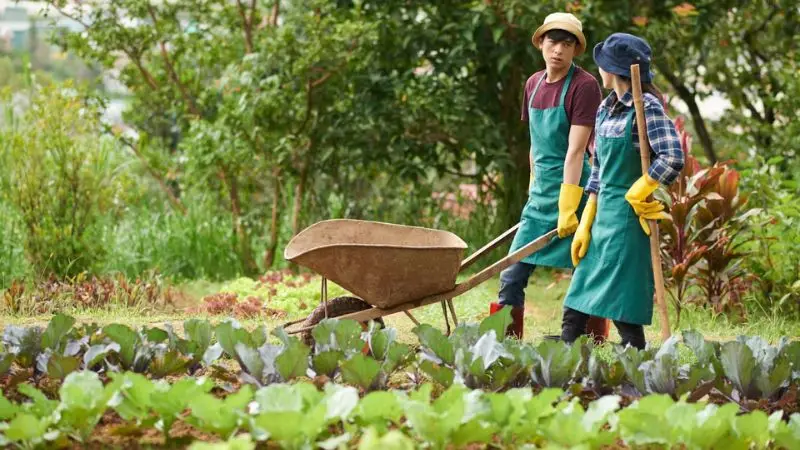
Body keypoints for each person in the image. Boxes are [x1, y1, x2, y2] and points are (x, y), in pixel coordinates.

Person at [559, 33, 685, 349]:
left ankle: (637, 367)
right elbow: (599, 171)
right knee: (578, 295)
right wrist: (586, 221)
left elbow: (672, 156)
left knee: (623, 301)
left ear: (613, 70)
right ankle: (561, 364)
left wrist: (641, 188)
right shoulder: (605, 108)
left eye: (602, 64)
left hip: (630, 218)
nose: (598, 68)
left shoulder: (646, 107)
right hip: (603, 214)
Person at [488, 12, 608, 340]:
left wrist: (569, 205)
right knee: (512, 272)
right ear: (541, 42)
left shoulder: (584, 86)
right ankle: (507, 344)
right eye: (553, 41)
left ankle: (585, 341)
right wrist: (532, 187)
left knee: (586, 270)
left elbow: (576, 150)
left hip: (573, 189)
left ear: (575, 50)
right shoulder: (532, 84)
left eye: (567, 44)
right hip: (540, 194)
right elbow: (534, 145)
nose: (558, 49)